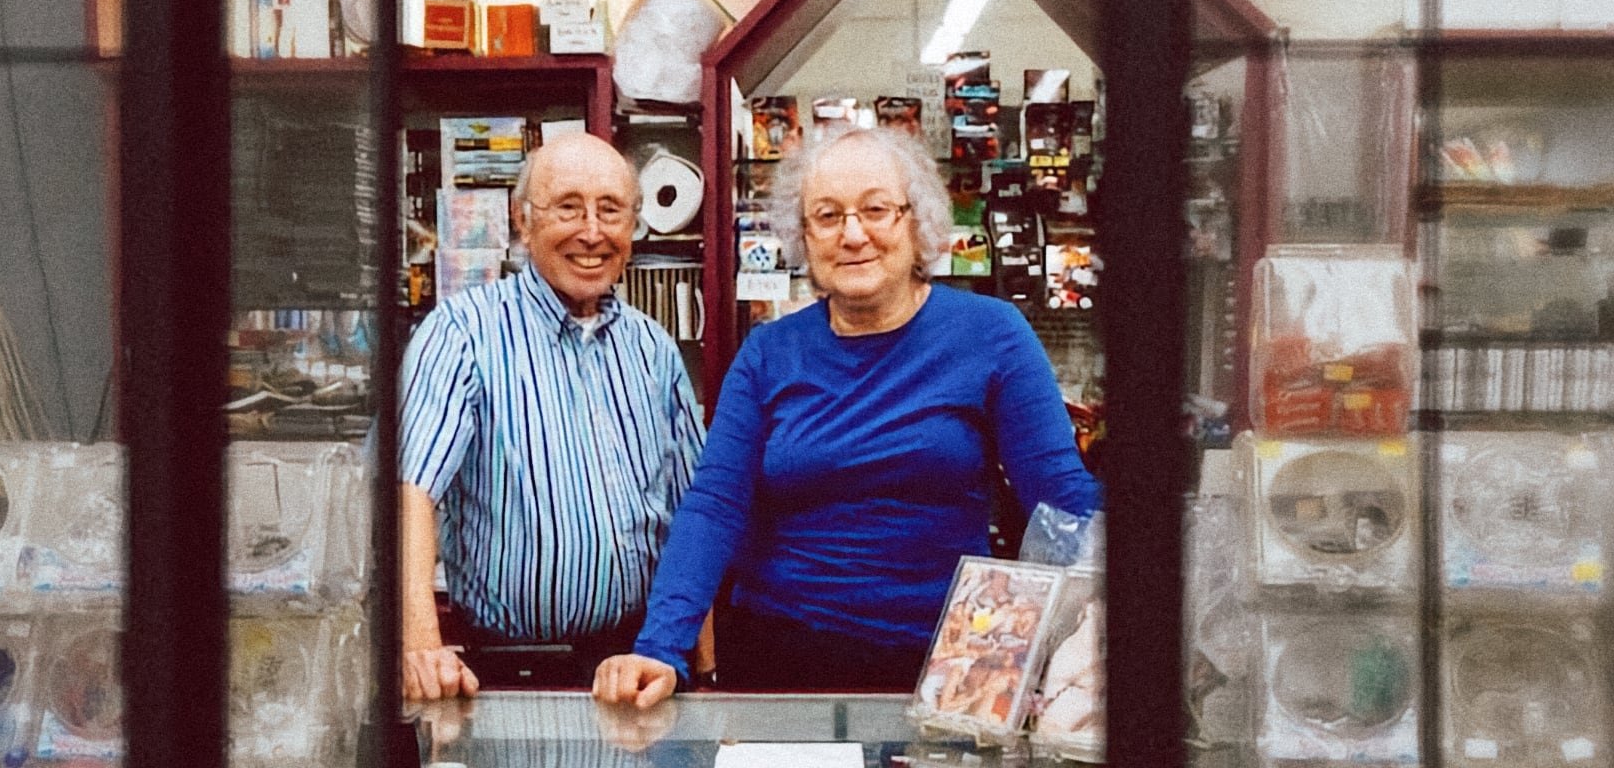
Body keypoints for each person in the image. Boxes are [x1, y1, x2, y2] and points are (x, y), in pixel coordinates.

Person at [593, 126, 1100, 707]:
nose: (853, 234)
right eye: (828, 216)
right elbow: (715, 504)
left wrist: (1111, 613)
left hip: (948, 663)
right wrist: (661, 647)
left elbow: (1060, 499)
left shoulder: (992, 335)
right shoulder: (767, 352)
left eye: (876, 210)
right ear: (804, 237)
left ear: (917, 222)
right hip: (779, 657)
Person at [400, 133, 705, 701]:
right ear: (523, 220)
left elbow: (698, 514)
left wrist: (705, 668)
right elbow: (412, 489)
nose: (592, 232)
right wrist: (420, 643)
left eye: (611, 210)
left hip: (637, 666)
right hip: (508, 672)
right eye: (568, 207)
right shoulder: (463, 332)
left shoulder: (654, 349)